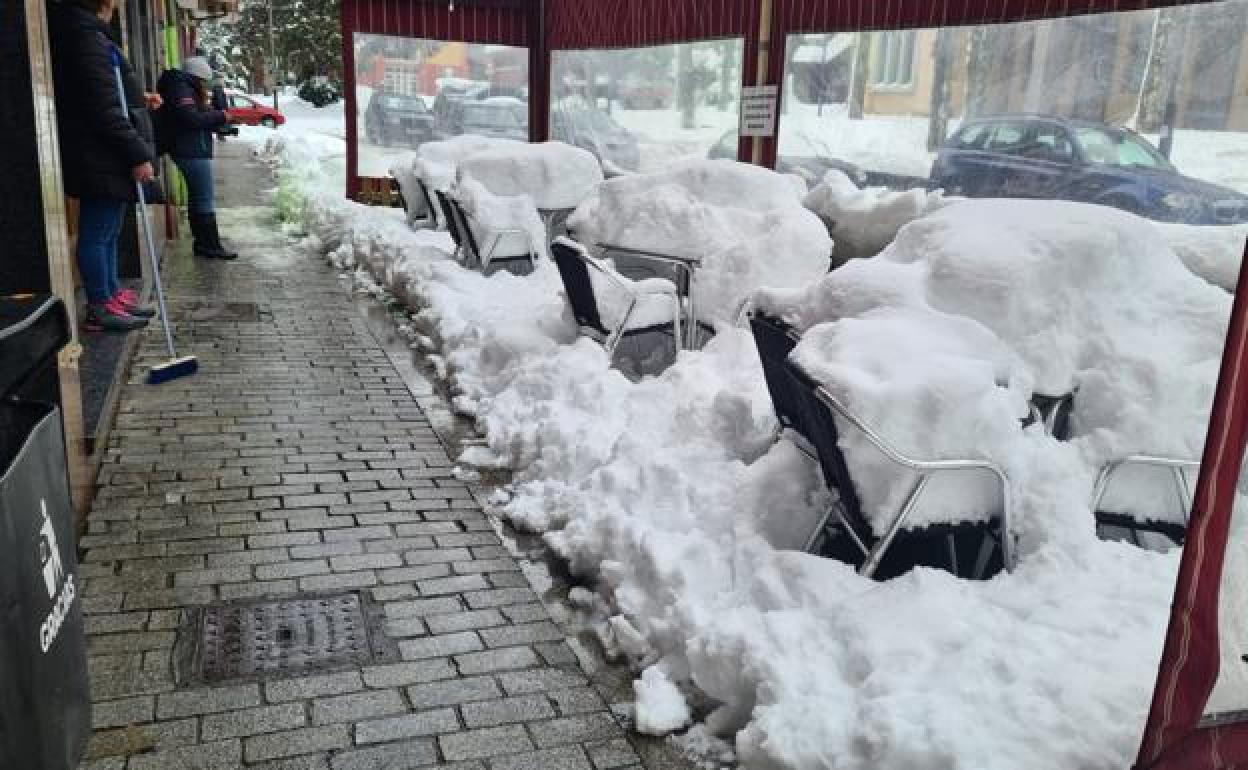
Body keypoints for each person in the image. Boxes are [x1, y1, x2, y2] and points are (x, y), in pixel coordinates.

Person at [48, 0, 160, 332]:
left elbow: (111, 96)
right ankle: (99, 304)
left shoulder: (92, 35)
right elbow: (104, 107)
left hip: (103, 151)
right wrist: (137, 153)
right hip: (99, 152)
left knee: (109, 229)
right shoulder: (86, 37)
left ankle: (109, 293)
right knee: (98, 232)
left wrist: (140, 98)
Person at [158, 56, 239, 260]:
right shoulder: (182, 89)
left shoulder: (182, 88)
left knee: (197, 198)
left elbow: (193, 116)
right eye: (204, 80)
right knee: (204, 198)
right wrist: (221, 116)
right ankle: (210, 245)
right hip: (191, 151)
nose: (205, 85)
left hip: (190, 149)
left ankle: (202, 244)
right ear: (197, 76)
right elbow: (191, 119)